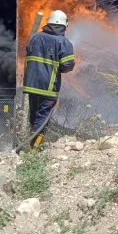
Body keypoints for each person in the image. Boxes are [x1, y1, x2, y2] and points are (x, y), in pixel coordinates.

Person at [22, 10, 75, 149]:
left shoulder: (35, 37)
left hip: (31, 85)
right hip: (48, 87)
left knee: (33, 115)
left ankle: (30, 144)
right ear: (64, 26)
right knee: (43, 117)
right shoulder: (62, 42)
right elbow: (67, 65)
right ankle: (34, 149)